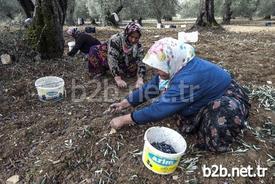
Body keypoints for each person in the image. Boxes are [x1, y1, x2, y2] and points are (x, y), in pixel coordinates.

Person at [108, 37, 250, 153]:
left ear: (171, 60)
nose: (157, 72)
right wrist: (125, 103)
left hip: (224, 94)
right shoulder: (178, 64)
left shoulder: (187, 78)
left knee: (217, 124)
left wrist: (123, 120)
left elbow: (159, 110)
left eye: (159, 68)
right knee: (172, 102)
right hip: (205, 87)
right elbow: (151, 87)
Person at [88, 22, 146, 88]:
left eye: (136, 38)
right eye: (131, 36)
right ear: (127, 33)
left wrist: (140, 79)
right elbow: (111, 58)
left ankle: (116, 69)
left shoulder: (138, 45)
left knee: (132, 71)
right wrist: (118, 79)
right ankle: (100, 71)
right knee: (94, 51)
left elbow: (141, 62)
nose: (133, 40)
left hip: (122, 59)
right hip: (106, 55)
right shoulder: (115, 39)